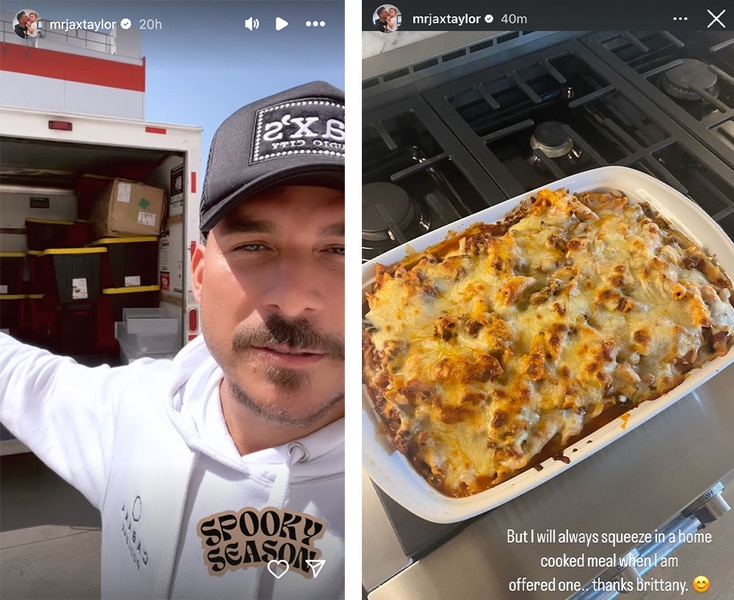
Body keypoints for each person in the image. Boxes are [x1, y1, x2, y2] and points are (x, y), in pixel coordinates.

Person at [0, 81, 345, 600]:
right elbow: (25, 377)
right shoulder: (132, 411)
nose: (294, 300)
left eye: (338, 249)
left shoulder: (407, 474)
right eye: (254, 245)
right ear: (198, 276)